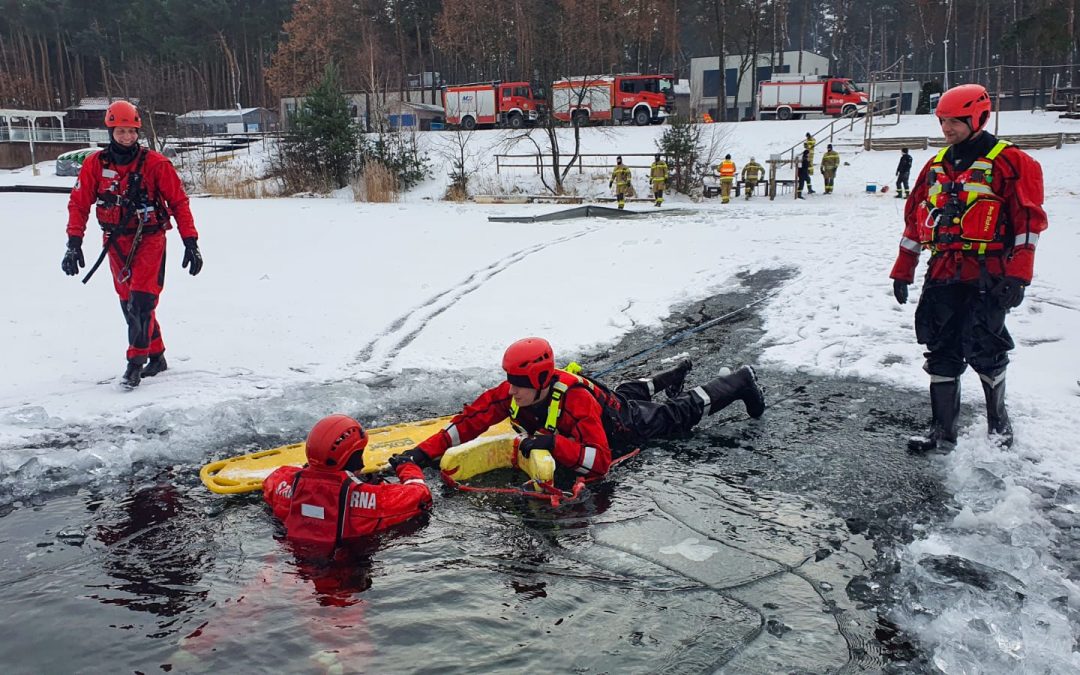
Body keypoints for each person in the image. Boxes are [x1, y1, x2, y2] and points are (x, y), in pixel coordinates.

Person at [889, 84, 1047, 452]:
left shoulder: (1011, 162)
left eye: (954, 122)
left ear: (979, 117)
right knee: (940, 347)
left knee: (986, 348)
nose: (947, 129)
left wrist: (1018, 274)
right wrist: (903, 268)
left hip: (988, 273)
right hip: (943, 272)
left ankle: (999, 426)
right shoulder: (936, 165)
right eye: (943, 121)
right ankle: (942, 432)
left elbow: (1027, 222)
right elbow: (916, 220)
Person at [395, 337, 766, 489]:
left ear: (541, 378)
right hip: (611, 403)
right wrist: (421, 454)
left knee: (675, 414)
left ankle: (740, 381)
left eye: (520, 382)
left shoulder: (574, 400)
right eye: (509, 380)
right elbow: (468, 423)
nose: (512, 389)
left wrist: (555, 444)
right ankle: (670, 375)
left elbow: (601, 462)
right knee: (625, 393)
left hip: (624, 426)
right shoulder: (512, 393)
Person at [63, 100, 203, 389]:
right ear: (110, 131)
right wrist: (74, 243)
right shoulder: (95, 165)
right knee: (130, 304)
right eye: (121, 131)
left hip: (150, 239)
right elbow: (78, 204)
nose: (126, 137)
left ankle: (134, 364)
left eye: (131, 131)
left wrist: (191, 241)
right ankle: (157, 355)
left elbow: (179, 203)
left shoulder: (156, 164)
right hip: (115, 242)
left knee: (142, 302)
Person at [263, 414, 433, 551]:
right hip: (345, 574)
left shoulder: (283, 483)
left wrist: (313, 471)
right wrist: (407, 466)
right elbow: (421, 495)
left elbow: (273, 480)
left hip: (294, 559)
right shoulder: (374, 498)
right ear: (354, 458)